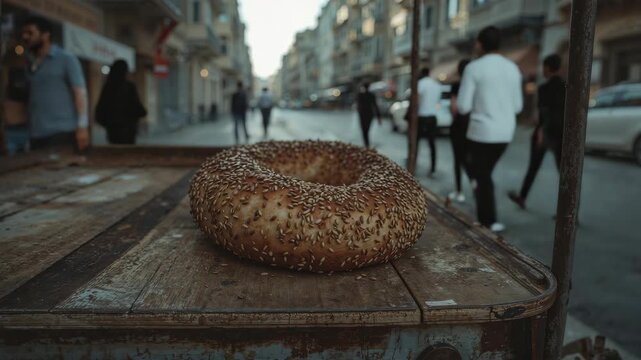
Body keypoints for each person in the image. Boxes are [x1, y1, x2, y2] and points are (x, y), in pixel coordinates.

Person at [457, 26, 523, 233]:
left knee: (481, 173)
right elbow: (519, 106)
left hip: (481, 132)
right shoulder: (513, 68)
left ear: (480, 43)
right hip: (505, 133)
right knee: (482, 172)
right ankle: (485, 212)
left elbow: (462, 106)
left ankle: (488, 221)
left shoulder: (474, 68)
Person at [21, 16, 89, 152]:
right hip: (35, 134)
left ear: (46, 35)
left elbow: (79, 92)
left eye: (30, 32)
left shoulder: (66, 59)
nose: (25, 37)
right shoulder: (30, 63)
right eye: (24, 33)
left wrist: (82, 127)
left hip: (61, 132)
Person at [508, 54, 566, 209]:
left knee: (533, 167)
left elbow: (544, 112)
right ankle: (570, 209)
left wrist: (540, 130)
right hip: (562, 133)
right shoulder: (567, 87)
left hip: (545, 132)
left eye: (543, 68)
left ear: (547, 68)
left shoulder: (544, 88)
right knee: (564, 172)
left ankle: (522, 197)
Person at [95, 59, 147, 145]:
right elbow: (138, 107)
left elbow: (101, 109)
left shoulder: (108, 87)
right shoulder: (129, 87)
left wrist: (108, 123)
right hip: (128, 130)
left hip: (113, 130)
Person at [448, 59, 472, 203]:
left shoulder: (457, 86)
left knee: (458, 159)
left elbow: (454, 108)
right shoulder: (474, 85)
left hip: (458, 125)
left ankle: (459, 191)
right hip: (473, 126)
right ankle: (476, 185)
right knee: (469, 158)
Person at [416, 68, 442, 176]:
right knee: (432, 144)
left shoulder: (421, 83)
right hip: (432, 116)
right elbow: (438, 102)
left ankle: (413, 163)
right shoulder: (436, 85)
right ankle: (433, 168)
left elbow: (417, 99)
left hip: (422, 116)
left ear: (422, 74)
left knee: (416, 142)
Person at [356, 82, 381, 147]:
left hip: (363, 114)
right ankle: (367, 143)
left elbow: (358, 105)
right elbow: (375, 106)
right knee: (366, 129)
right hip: (369, 114)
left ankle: (366, 143)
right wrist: (379, 117)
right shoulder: (371, 95)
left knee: (364, 130)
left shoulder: (360, 95)